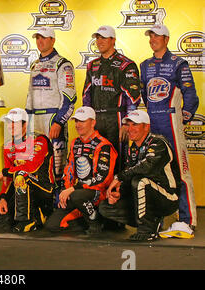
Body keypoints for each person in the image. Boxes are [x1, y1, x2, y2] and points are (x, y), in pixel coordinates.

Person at [140, 24, 199, 237]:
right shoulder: (144, 65)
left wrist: (183, 118)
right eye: (150, 36)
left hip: (170, 120)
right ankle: (157, 219)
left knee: (181, 170)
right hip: (152, 122)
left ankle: (187, 219)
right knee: (155, 171)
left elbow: (191, 97)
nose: (152, 39)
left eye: (156, 36)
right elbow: (145, 97)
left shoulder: (178, 64)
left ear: (166, 38)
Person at [99, 110, 181, 241]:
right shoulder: (133, 148)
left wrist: (119, 177)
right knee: (106, 207)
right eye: (128, 125)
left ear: (146, 127)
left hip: (168, 197)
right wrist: (119, 193)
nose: (130, 129)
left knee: (140, 181)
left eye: (135, 125)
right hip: (145, 194)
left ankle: (147, 231)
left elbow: (146, 167)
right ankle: (152, 221)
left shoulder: (158, 143)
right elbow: (130, 176)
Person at [45, 106, 117, 234]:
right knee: (52, 225)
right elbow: (69, 171)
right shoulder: (75, 143)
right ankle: (88, 219)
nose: (78, 125)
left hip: (96, 194)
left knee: (77, 195)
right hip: (76, 194)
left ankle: (96, 221)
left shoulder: (103, 145)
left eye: (82, 121)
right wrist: (65, 191)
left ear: (93, 122)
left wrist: (74, 189)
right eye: (76, 121)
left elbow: (102, 179)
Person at [0, 108, 55, 233]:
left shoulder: (40, 140)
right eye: (8, 122)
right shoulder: (8, 146)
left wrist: (5, 172)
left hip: (43, 190)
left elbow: (31, 167)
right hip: (20, 193)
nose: (10, 126)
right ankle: (36, 216)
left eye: (15, 122)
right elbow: (8, 177)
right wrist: (3, 198)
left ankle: (26, 220)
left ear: (25, 124)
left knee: (21, 175)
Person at [25, 26, 77, 199]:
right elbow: (29, 96)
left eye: (44, 38)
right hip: (35, 120)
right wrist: (26, 122)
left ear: (53, 40)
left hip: (52, 118)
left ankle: (57, 202)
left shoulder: (63, 64)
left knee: (57, 163)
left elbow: (69, 98)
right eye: (38, 38)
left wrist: (59, 122)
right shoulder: (34, 65)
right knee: (35, 161)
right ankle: (40, 202)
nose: (40, 41)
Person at [82, 25, 141, 171]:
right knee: (95, 158)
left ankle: (118, 192)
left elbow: (132, 98)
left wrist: (127, 123)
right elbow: (86, 95)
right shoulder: (92, 65)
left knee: (117, 161)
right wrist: (87, 120)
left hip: (116, 118)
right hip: (96, 118)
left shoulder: (126, 64)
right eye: (97, 37)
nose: (99, 41)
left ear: (113, 40)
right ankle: (97, 192)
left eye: (104, 37)